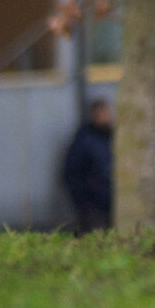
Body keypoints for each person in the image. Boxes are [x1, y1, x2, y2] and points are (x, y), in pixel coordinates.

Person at [61, 94, 114, 232]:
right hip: (92, 203)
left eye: (107, 113)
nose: (105, 116)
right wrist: (83, 200)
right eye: (101, 113)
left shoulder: (113, 137)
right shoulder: (84, 140)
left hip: (110, 200)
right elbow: (72, 172)